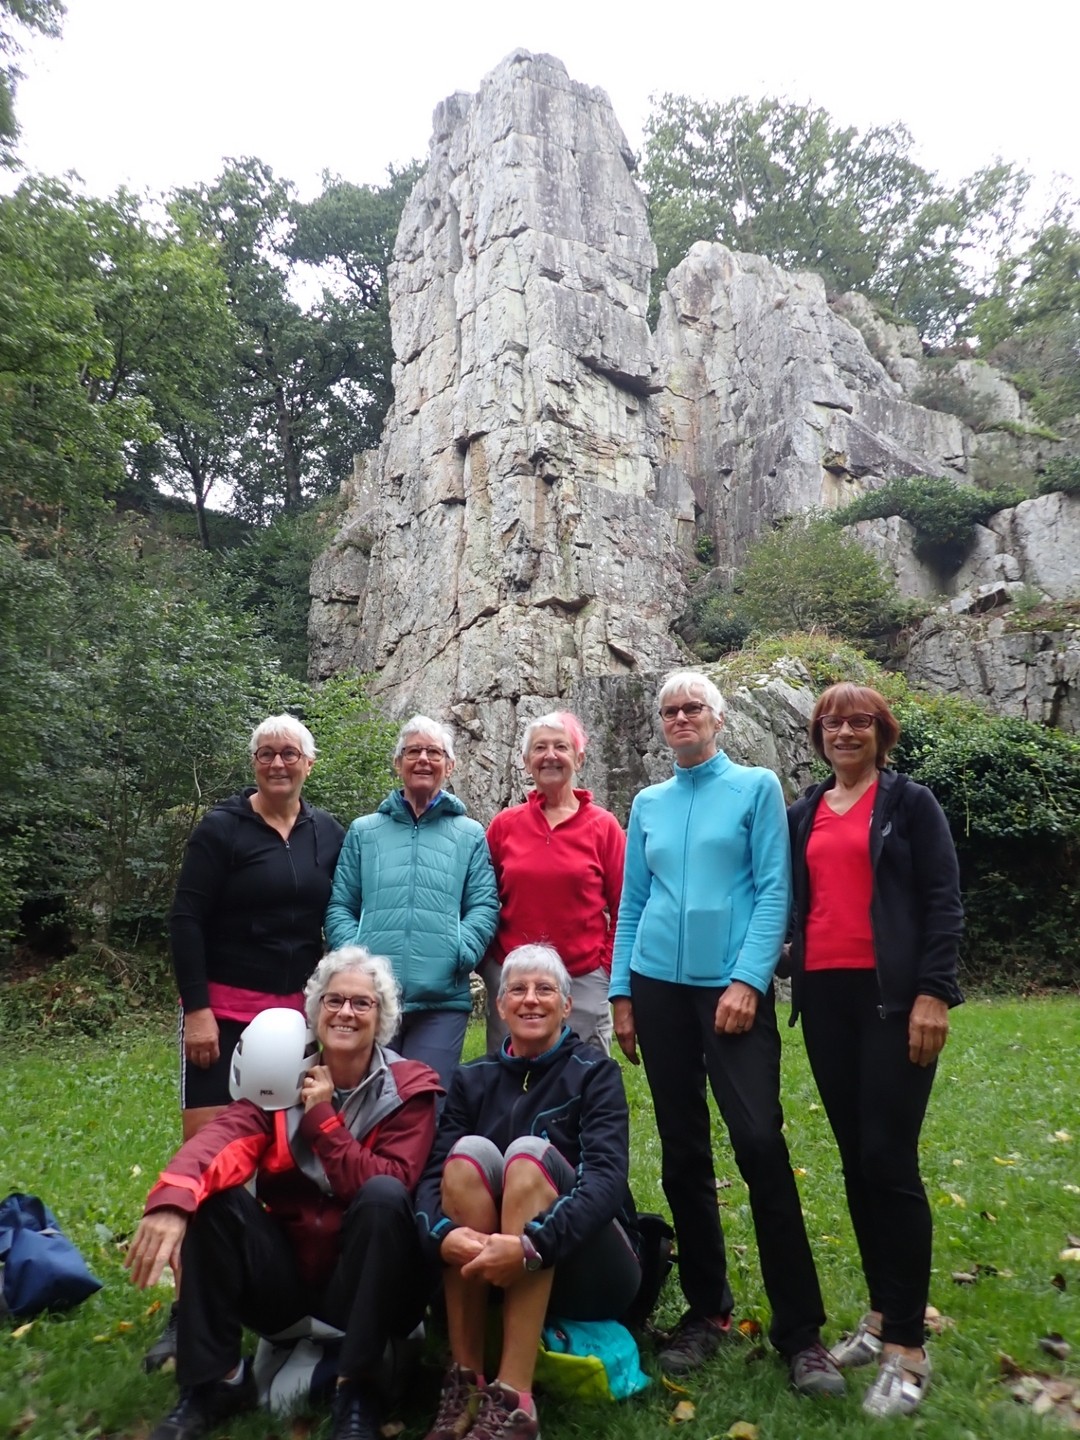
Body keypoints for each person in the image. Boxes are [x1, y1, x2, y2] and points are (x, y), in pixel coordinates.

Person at [609, 669, 844, 1396]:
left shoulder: (755, 788)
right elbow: (632, 902)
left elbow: (776, 888)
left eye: (693, 709)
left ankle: (799, 1331)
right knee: (682, 1150)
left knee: (759, 1143)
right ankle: (706, 1311)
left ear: (716, 718)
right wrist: (621, 993)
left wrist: (747, 981)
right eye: (670, 711)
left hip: (729, 989)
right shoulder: (647, 803)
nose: (681, 718)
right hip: (655, 987)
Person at [126, 947, 443, 1440]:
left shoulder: (407, 1089)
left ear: (382, 1018)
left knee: (381, 1195)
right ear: (315, 1013)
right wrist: (174, 1200)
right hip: (288, 1284)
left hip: (368, 1285)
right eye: (334, 1000)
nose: (345, 1012)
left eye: (362, 1003)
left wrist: (322, 1120)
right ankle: (216, 1382)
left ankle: (358, 1389)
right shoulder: (279, 1074)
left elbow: (391, 1182)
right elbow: (223, 1139)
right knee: (214, 1200)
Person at [787, 683, 963, 1419]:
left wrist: (934, 992)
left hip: (895, 1002)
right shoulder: (802, 811)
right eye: (833, 721)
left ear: (881, 733)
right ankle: (883, 1315)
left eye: (860, 721)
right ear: (820, 734)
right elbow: (799, 898)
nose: (846, 732)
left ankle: (907, 1350)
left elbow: (942, 899)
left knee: (890, 1162)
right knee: (859, 1162)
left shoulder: (910, 804)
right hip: (826, 1002)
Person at [148, 714, 345, 1370]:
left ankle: (275, 1288)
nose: (278, 763)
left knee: (286, 1159)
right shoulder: (221, 828)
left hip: (297, 1019)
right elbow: (186, 919)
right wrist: (198, 1011)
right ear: (255, 763)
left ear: (308, 764)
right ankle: (187, 1314)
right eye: (267, 753)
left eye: (290, 753)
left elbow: (339, 919)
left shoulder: (329, 834)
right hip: (224, 1015)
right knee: (209, 1159)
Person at [416, 945, 641, 1440]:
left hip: (590, 1265)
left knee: (526, 1155)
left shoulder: (595, 1074)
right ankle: (465, 1381)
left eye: (545, 990)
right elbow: (432, 1178)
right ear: (499, 1006)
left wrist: (532, 1245)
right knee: (466, 1154)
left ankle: (515, 1402)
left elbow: (606, 1183)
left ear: (566, 1006)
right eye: (517, 989)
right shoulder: (472, 1080)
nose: (531, 1000)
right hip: (488, 1262)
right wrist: (442, 1234)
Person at [324, 715, 499, 1089]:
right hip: (368, 997)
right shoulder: (364, 831)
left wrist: (459, 951)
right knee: (367, 1102)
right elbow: (341, 904)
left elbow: (484, 905)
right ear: (398, 762)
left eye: (434, 752)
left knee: (425, 1104)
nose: (423, 759)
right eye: (413, 751)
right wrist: (354, 959)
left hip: (441, 1000)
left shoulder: (469, 834)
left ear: (449, 766)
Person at [483, 711, 625, 1053]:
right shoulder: (505, 825)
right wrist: (492, 966)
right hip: (514, 979)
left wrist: (604, 970)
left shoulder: (603, 826)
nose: (550, 755)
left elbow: (625, 907)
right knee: (509, 1081)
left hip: (582, 979)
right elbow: (481, 899)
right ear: (526, 761)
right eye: (540, 747)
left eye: (561, 746)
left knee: (583, 1079)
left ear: (579, 757)